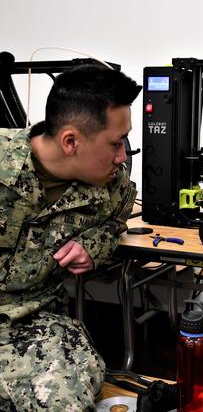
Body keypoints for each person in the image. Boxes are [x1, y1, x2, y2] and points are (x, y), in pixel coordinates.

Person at [0, 65, 141, 410]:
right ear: (71, 142)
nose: (123, 156)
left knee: (67, 393)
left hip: (35, 324)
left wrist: (92, 247)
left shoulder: (112, 188)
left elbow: (114, 224)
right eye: (116, 142)